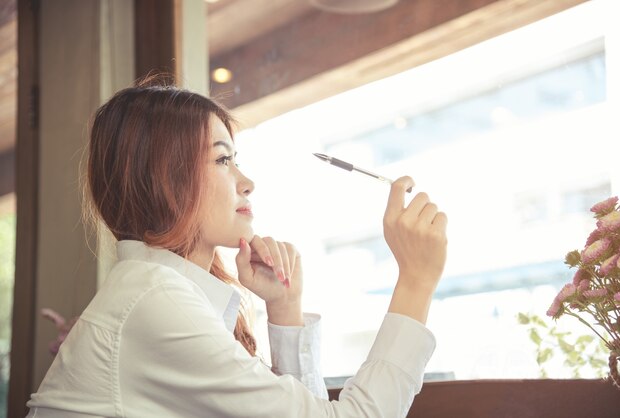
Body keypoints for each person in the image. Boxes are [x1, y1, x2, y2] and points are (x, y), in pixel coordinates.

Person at [26, 78, 448, 417]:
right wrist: (416, 280)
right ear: (165, 178)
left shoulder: (157, 291)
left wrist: (285, 309)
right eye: (222, 160)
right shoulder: (155, 299)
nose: (246, 182)